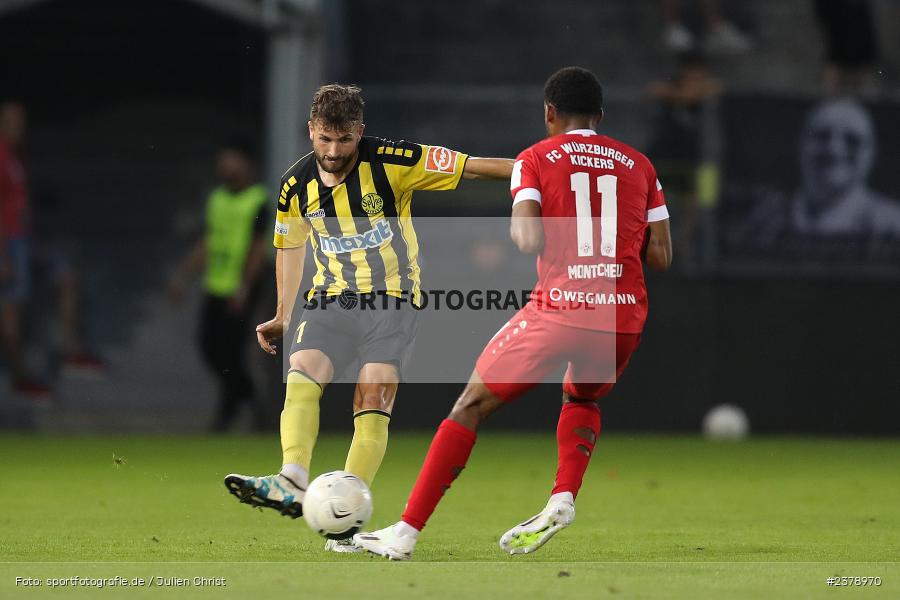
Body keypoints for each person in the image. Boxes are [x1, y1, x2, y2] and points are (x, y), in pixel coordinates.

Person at [353, 67, 672, 560]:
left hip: (562, 307)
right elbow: (661, 257)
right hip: (622, 317)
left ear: (549, 113)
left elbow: (526, 240)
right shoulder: (641, 165)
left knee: (470, 406)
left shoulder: (534, 158)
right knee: (581, 397)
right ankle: (563, 497)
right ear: (600, 117)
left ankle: (404, 533)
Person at [223, 84, 513, 551]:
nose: (333, 151)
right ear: (310, 132)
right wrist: (283, 311)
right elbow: (290, 246)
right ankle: (292, 479)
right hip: (330, 298)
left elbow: (472, 167)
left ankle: (344, 517)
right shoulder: (295, 185)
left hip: (392, 299)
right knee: (302, 375)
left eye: (343, 140)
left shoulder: (396, 161)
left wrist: (540, 173)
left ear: (359, 132)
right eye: (323, 139)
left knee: (372, 398)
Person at [0, 101, 104, 400]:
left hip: (25, 240)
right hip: (10, 244)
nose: (19, 127)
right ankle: (19, 376)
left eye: (22, 121)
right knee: (11, 311)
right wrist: (4, 255)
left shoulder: (16, 157)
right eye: (12, 121)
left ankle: (71, 352)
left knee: (67, 278)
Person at [169, 140, 270, 430]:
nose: (225, 166)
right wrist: (183, 277)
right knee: (210, 347)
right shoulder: (217, 199)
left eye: (231, 160)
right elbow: (209, 242)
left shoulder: (258, 199)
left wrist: (244, 286)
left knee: (231, 352)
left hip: (241, 288)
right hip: (216, 284)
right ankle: (246, 397)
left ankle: (229, 412)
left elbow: (256, 247)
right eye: (223, 161)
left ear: (247, 164)